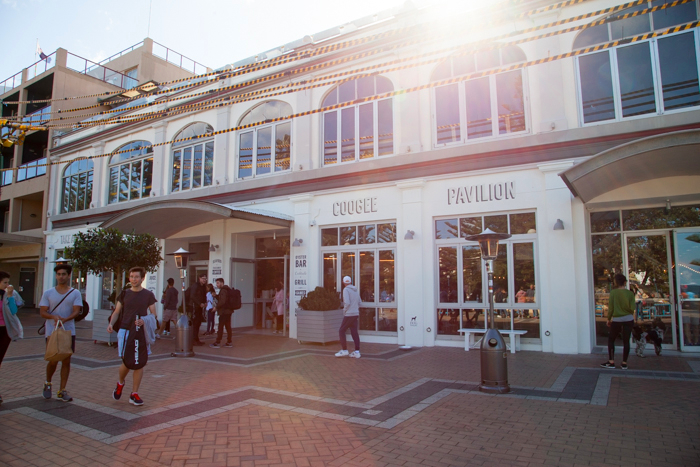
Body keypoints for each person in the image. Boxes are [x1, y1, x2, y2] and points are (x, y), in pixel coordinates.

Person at [107, 267, 157, 406]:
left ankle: (134, 394)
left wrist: (144, 320)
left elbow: (154, 314)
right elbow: (117, 311)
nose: (134, 279)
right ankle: (120, 383)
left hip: (140, 331)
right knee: (127, 362)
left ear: (142, 278)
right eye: (131, 276)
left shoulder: (148, 295)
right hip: (125, 330)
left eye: (136, 277)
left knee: (139, 362)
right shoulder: (124, 294)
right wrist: (111, 323)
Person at [39, 264, 83, 402]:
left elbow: (76, 311)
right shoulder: (48, 293)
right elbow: (43, 312)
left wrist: (66, 318)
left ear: (69, 275)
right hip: (52, 332)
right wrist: (54, 317)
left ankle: (62, 390)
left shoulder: (75, 293)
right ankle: (48, 383)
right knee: (53, 359)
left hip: (68, 331)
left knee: (66, 360)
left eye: (63, 274)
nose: (61, 276)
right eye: (58, 274)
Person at [601, 273, 635, 370]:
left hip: (617, 319)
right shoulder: (630, 293)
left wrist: (609, 318)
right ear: (625, 282)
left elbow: (611, 307)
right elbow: (632, 308)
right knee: (626, 340)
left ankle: (611, 361)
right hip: (628, 319)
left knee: (611, 339)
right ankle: (624, 362)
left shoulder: (614, 293)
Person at [0, 271, 21, 404]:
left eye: (8, 282)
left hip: (4, 331)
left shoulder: (9, 295)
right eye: (5, 282)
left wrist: (9, 296)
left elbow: (13, 311)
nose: (8, 285)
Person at [335, 276, 361, 358]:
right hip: (355, 313)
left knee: (341, 331)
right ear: (350, 282)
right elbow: (359, 302)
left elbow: (347, 302)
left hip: (349, 314)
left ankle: (344, 350)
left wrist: (344, 311)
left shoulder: (346, 290)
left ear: (343, 282)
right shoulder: (355, 290)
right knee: (354, 332)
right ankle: (357, 352)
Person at [210, 278, 234, 349]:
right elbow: (223, 300)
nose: (216, 285)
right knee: (228, 326)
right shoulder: (227, 289)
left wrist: (216, 308)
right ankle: (229, 341)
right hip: (229, 311)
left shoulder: (223, 290)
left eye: (218, 283)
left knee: (220, 327)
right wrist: (216, 296)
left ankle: (218, 342)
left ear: (221, 283)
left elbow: (222, 301)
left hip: (224, 312)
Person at [185, 273, 207, 346]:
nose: (204, 280)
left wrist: (205, 302)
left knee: (198, 323)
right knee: (195, 323)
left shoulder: (203, 286)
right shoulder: (195, 286)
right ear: (199, 278)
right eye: (203, 278)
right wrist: (199, 303)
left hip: (199, 307)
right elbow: (192, 296)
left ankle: (196, 339)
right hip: (194, 307)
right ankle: (193, 339)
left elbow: (204, 295)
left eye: (205, 279)